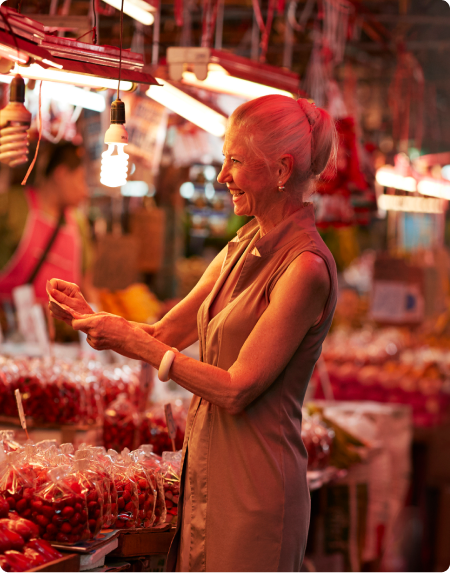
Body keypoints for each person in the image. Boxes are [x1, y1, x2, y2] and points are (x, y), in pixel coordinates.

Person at [49, 95, 338, 573]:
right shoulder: (239, 247)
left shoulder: (305, 269)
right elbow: (164, 332)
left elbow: (238, 388)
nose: (222, 175)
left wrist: (137, 342)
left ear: (283, 169)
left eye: (235, 161)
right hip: (204, 472)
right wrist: (92, 319)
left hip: (255, 485)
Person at [0, 141, 94, 305]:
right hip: (8, 324)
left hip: (62, 329)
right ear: (61, 173)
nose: (85, 192)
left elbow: (86, 284)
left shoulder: (78, 222)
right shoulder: (10, 204)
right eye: (81, 179)